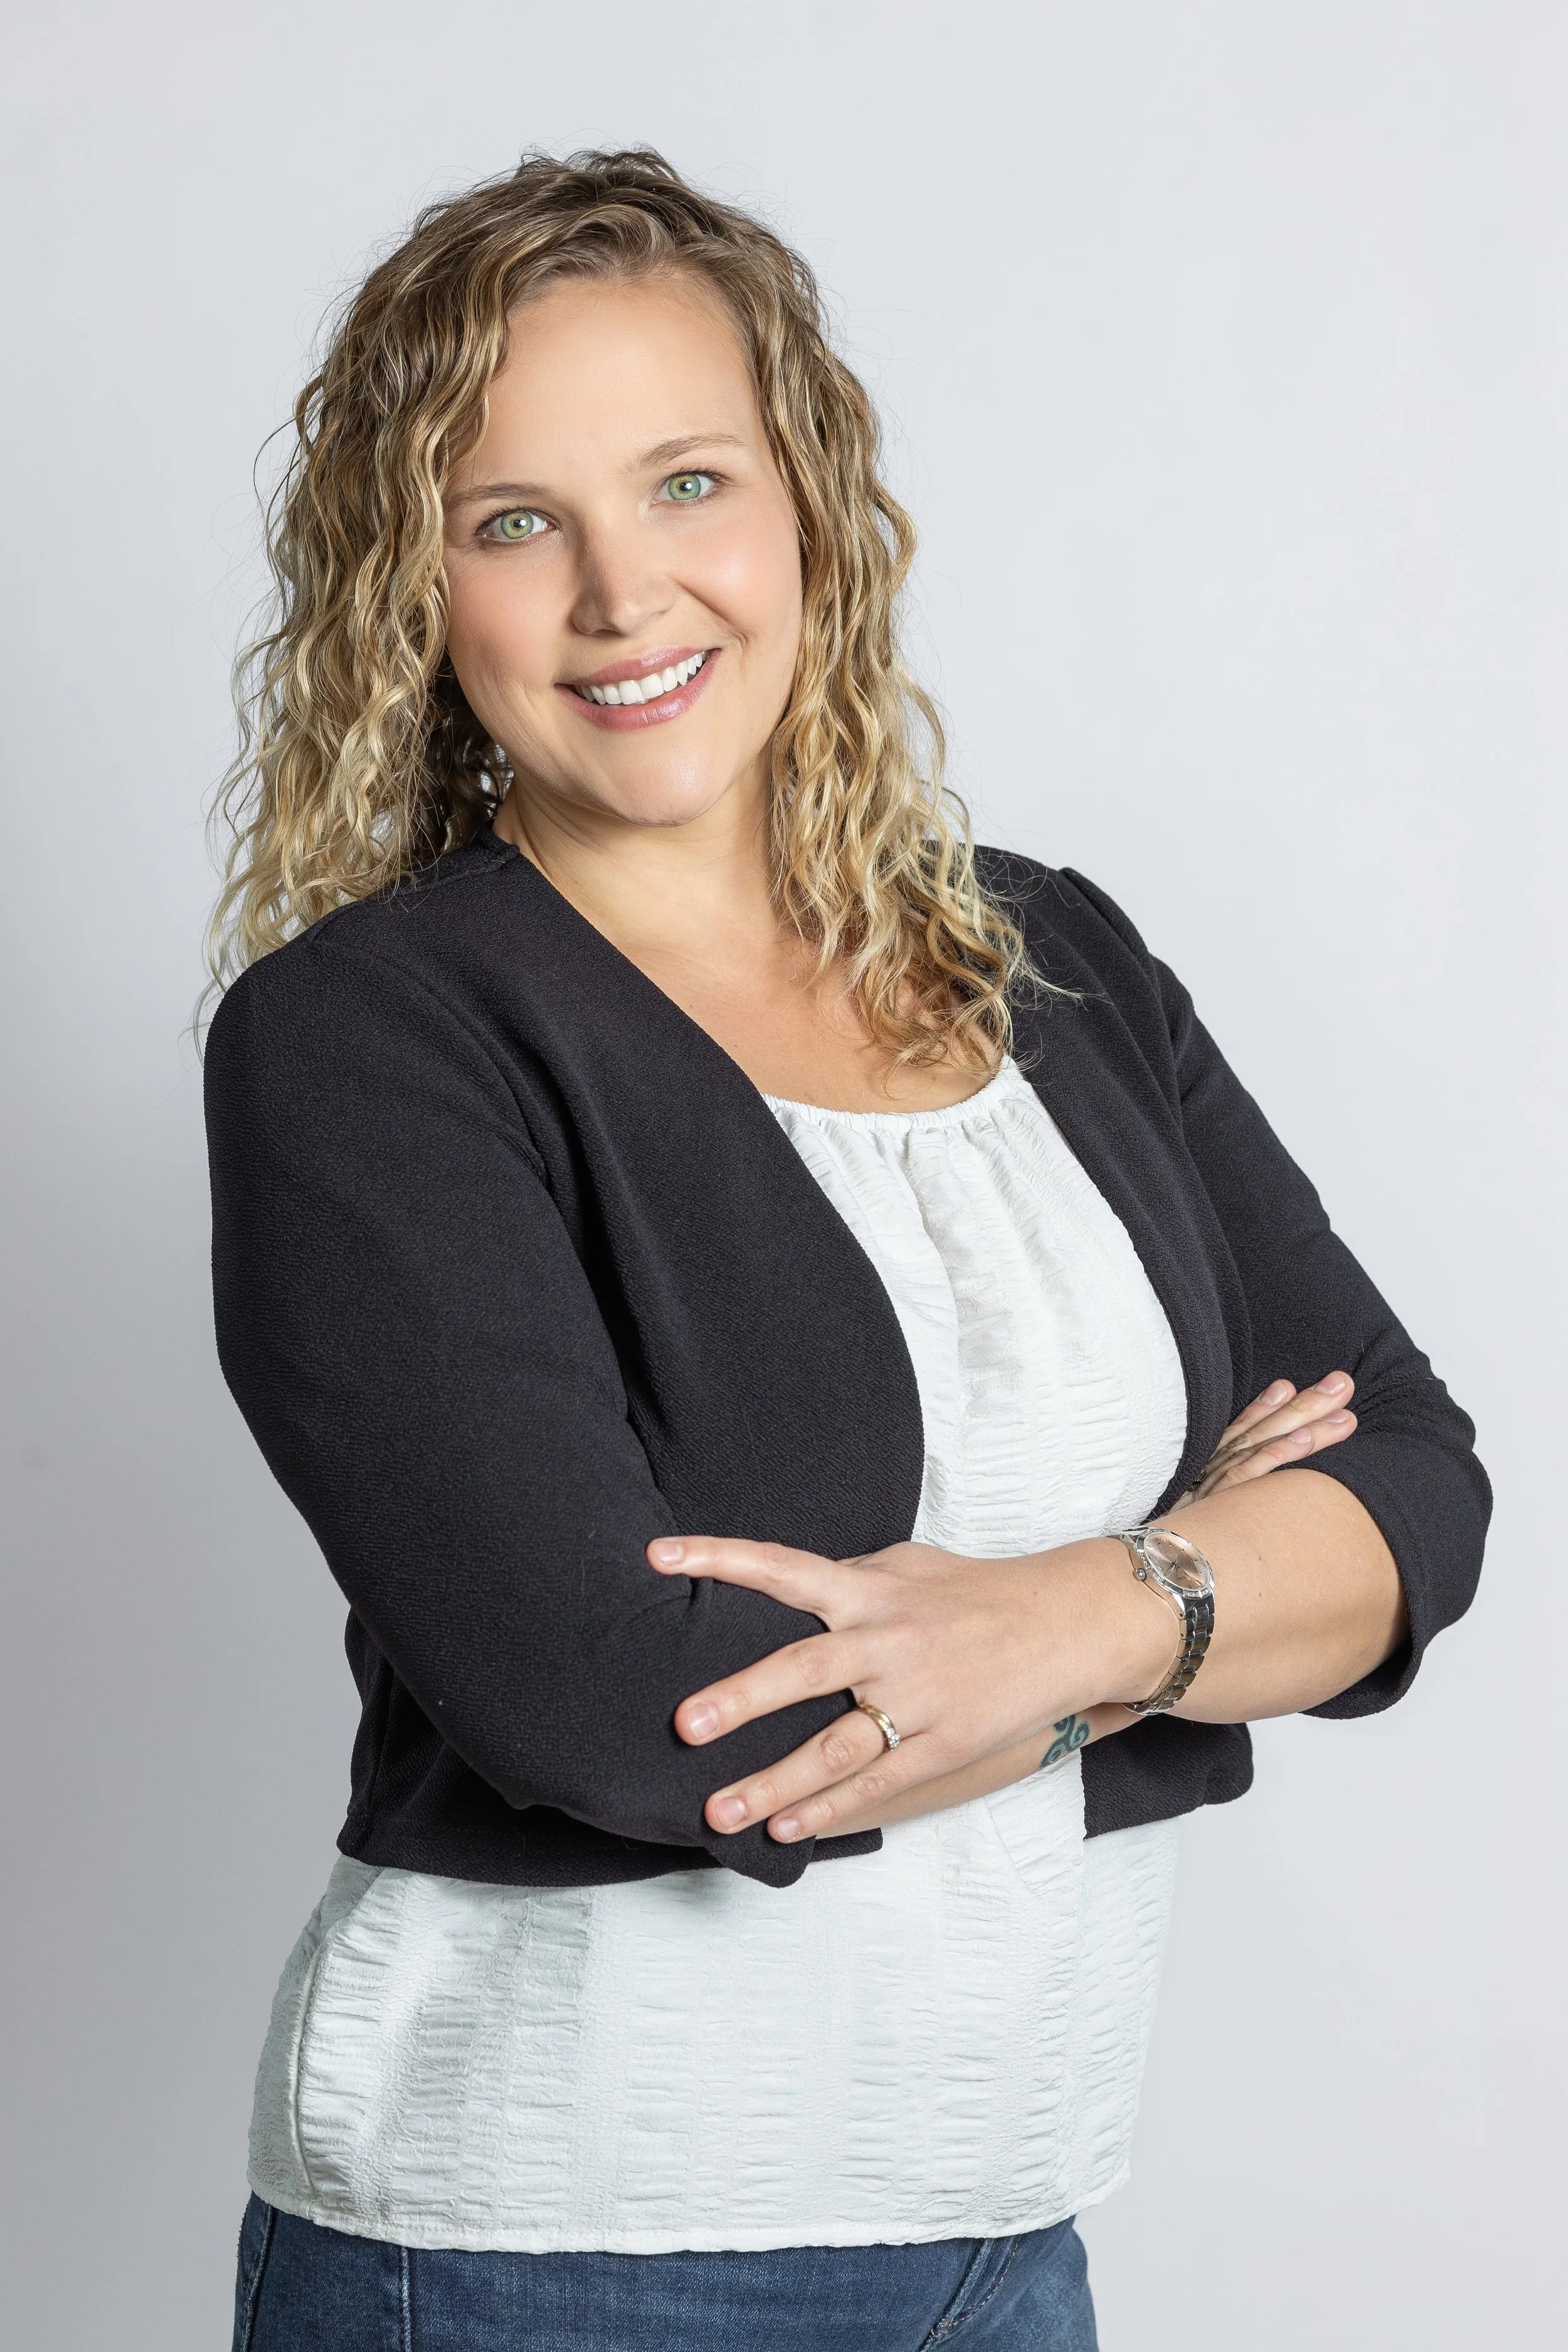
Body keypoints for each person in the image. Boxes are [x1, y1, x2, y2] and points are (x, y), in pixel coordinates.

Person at [203, 149, 1489, 2352]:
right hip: (542, 2252)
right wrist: (1203, 1572)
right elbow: (624, 1709)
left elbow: (1419, 1499)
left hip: (1010, 2223)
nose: (626, 596)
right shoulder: (368, 1042)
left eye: (686, 481)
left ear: (805, 502)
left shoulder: (1050, 957)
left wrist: (1086, 1605)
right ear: (415, 595)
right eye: (518, 522)